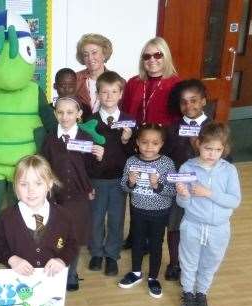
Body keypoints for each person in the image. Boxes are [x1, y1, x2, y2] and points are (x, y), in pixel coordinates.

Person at [0, 154, 77, 306]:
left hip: (48, 286)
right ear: (15, 186)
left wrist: (61, 260)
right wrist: (11, 259)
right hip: (18, 286)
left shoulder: (63, 216)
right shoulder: (6, 217)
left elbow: (72, 244)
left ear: (49, 184)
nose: (31, 190)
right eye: (23, 184)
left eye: (38, 183)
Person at [121, 36, 180, 250]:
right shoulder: (134, 82)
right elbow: (126, 113)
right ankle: (134, 236)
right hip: (137, 146)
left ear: (166, 57)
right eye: (147, 56)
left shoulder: (175, 84)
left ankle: (151, 238)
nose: (152, 60)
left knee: (156, 192)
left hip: (162, 148)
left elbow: (177, 120)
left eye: (158, 55)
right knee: (136, 189)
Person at [176, 123, 241, 306]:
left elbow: (234, 201)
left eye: (218, 150)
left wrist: (209, 193)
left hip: (219, 228)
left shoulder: (229, 170)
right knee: (188, 261)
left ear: (224, 149)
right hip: (192, 224)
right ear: (198, 144)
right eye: (208, 148)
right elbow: (182, 203)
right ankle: (188, 292)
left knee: (211, 262)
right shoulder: (187, 167)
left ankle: (201, 293)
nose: (212, 154)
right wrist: (183, 194)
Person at [82, 71, 134, 276]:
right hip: (96, 179)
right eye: (104, 92)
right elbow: (84, 153)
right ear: (97, 94)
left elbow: (133, 154)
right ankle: (96, 252)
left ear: (121, 94)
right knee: (95, 218)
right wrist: (86, 181)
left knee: (116, 218)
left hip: (119, 180)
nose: (109, 96)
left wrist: (125, 140)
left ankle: (112, 254)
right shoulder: (90, 121)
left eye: (114, 92)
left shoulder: (129, 122)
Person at [41, 96, 95, 291]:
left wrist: (90, 187)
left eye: (70, 112)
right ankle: (55, 269)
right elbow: (45, 166)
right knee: (55, 234)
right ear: (55, 113)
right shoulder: (49, 139)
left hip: (79, 196)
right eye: (60, 112)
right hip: (56, 197)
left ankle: (71, 273)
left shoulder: (86, 138)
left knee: (75, 235)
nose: (65, 117)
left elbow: (89, 167)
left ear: (79, 114)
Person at [163, 79, 213, 281]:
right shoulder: (173, 129)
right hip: (179, 189)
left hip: (203, 191)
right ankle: (174, 263)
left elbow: (226, 160)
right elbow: (165, 156)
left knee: (197, 229)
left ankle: (193, 265)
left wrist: (198, 148)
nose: (189, 106)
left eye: (193, 101)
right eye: (184, 102)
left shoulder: (214, 129)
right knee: (175, 226)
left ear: (203, 101)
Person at [118, 124, 176, 298]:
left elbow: (173, 190)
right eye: (144, 142)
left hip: (159, 212)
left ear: (161, 144)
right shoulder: (132, 161)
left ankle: (153, 277)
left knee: (156, 244)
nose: (149, 147)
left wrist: (157, 185)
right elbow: (123, 187)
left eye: (154, 143)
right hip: (138, 210)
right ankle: (136, 273)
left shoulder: (166, 163)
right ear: (137, 142)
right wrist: (130, 182)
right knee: (137, 241)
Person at [75, 34, 113, 114]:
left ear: (104, 54)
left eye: (94, 53)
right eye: (86, 55)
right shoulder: (74, 79)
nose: (90, 58)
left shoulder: (117, 80)